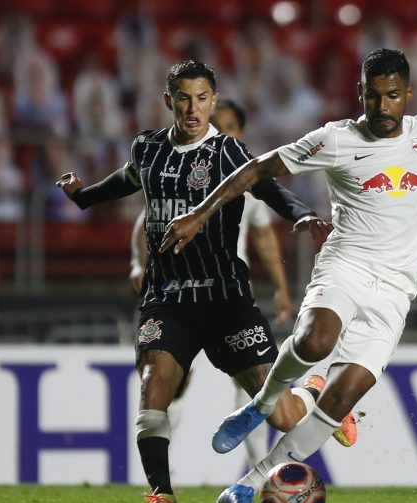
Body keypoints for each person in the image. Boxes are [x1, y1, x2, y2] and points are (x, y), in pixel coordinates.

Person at [160, 45, 417, 503]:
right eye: (373, 97)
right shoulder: (336, 139)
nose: (382, 108)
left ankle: (248, 484)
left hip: (395, 292)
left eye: (392, 96)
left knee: (341, 399)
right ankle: (262, 404)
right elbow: (258, 169)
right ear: (359, 93)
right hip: (346, 264)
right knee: (316, 339)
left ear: (409, 93)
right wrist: (201, 213)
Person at [55, 59, 354, 503]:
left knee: (279, 412)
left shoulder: (228, 153)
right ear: (168, 101)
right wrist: (83, 196)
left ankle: (315, 392)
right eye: (184, 98)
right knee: (154, 386)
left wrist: (298, 214)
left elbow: (269, 188)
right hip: (168, 296)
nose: (193, 109)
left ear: (213, 101)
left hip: (225, 299)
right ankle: (163, 498)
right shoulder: (147, 150)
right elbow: (123, 182)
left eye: (202, 99)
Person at [127, 99, 313, 470]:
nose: (221, 132)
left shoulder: (246, 179)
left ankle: (260, 470)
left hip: (230, 296)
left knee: (263, 396)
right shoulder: (179, 172)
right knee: (170, 385)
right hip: (178, 294)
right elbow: (145, 221)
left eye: (230, 126)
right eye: (218, 124)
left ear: (240, 134)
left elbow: (264, 237)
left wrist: (281, 287)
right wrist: (138, 263)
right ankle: (167, 480)